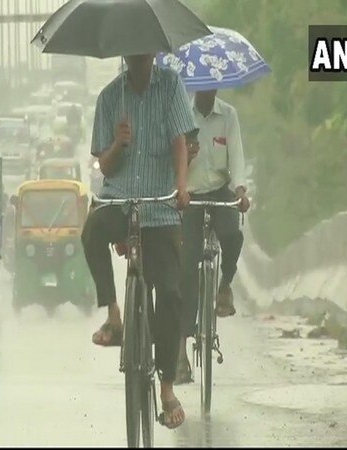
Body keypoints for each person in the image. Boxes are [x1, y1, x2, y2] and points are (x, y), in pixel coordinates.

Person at [80, 54, 196, 429]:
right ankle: (114, 314)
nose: (139, 57)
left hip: (160, 210)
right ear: (126, 55)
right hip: (120, 200)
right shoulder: (110, 97)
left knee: (171, 293)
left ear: (153, 52)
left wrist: (181, 183)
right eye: (132, 51)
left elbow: (180, 142)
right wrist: (117, 144)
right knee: (92, 230)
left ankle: (165, 387)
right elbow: (103, 165)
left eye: (145, 50)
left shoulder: (171, 86)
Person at [175, 89, 251, 384]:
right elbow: (175, 157)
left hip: (220, 191)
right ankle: (181, 351)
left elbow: (238, 157)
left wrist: (241, 189)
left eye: (214, 86)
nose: (209, 92)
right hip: (189, 195)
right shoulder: (182, 115)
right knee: (187, 268)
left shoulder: (228, 115)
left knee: (233, 235)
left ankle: (225, 286)